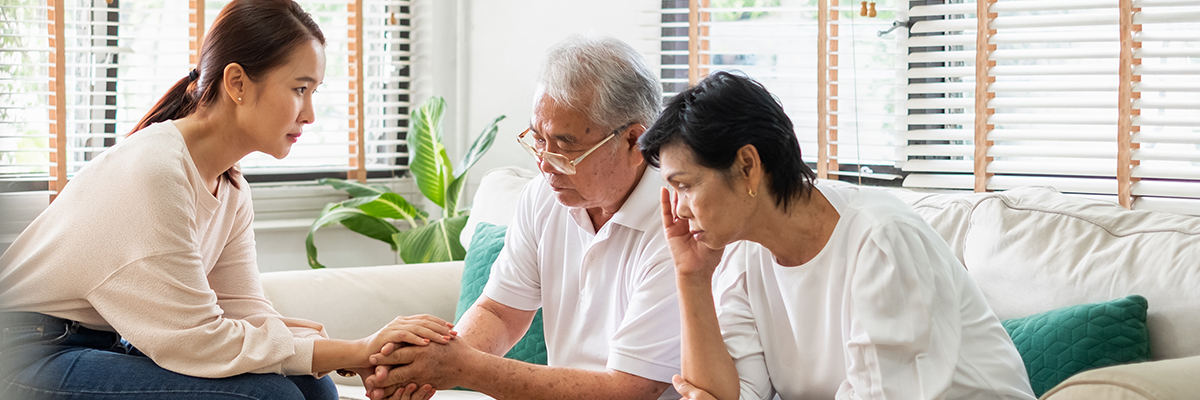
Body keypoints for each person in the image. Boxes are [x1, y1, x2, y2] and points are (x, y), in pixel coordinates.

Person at [0, 1, 453, 399]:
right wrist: (353, 348)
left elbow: (244, 311)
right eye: (299, 88)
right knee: (269, 397)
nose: (310, 113)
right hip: (26, 351)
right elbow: (197, 339)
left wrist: (348, 354)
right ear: (237, 82)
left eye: (314, 92)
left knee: (313, 385)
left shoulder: (230, 186)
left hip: (109, 342)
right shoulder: (155, 171)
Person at [638, 71, 1037, 400]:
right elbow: (728, 394)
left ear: (747, 166)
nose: (679, 208)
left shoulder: (880, 240)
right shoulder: (743, 248)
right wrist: (692, 277)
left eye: (685, 185)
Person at [360, 35, 683, 400]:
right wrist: (430, 369)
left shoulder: (681, 221)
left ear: (634, 141)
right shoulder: (543, 196)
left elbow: (629, 390)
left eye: (565, 145)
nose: (545, 164)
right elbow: (501, 312)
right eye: (539, 139)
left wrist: (464, 367)